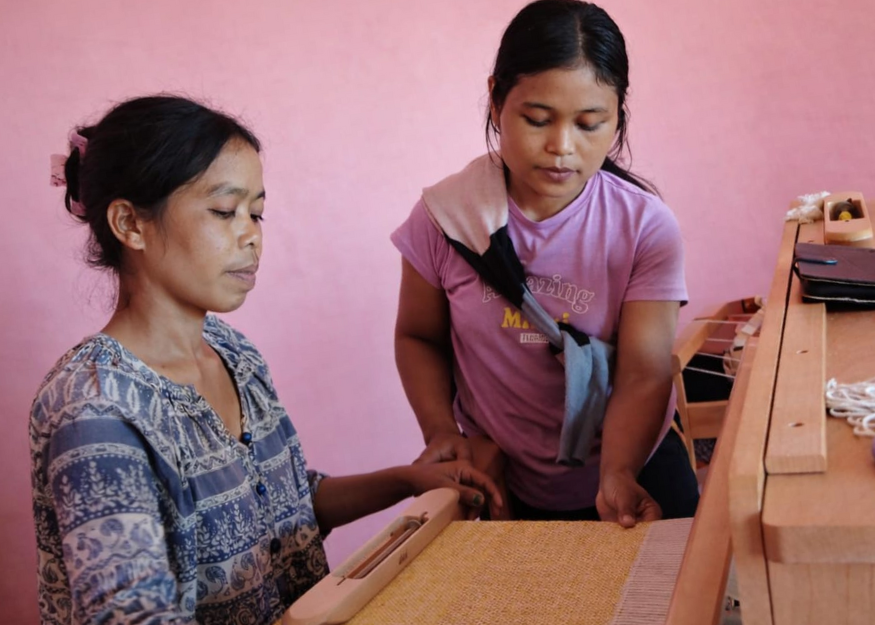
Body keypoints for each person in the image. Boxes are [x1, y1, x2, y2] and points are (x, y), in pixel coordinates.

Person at [30, 95, 501, 625]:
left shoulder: (234, 354)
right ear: (130, 224)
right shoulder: (97, 410)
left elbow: (285, 507)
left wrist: (408, 480)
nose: (252, 235)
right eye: (224, 212)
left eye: (256, 213)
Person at [392, 0, 699, 526]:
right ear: (496, 101)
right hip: (509, 486)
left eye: (589, 124)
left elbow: (644, 372)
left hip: (633, 471)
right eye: (537, 119)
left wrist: (618, 473)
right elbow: (418, 337)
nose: (561, 146)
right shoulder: (446, 218)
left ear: (618, 116)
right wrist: (441, 431)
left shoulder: (644, 227)